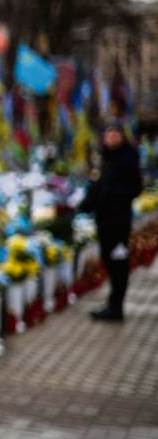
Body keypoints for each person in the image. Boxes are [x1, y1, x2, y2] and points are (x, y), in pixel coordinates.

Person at [78, 121, 143, 321]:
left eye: (116, 134)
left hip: (118, 220)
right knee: (108, 259)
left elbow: (135, 187)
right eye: (109, 134)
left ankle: (117, 307)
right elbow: (99, 187)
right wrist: (85, 204)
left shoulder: (127, 158)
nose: (112, 137)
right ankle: (113, 303)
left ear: (122, 137)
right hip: (105, 220)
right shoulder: (106, 158)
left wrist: (113, 197)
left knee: (118, 262)